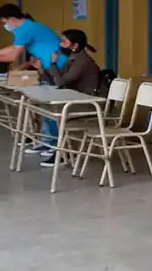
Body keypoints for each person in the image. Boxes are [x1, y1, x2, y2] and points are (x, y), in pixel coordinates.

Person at [27, 29, 101, 168]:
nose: (60, 44)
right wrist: (41, 69)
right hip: (72, 99)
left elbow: (62, 83)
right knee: (45, 107)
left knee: (56, 112)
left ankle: (61, 151)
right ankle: (53, 144)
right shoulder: (73, 58)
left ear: (75, 45)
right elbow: (56, 82)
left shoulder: (82, 61)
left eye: (63, 42)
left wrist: (54, 64)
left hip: (86, 103)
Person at [0, 4, 61, 71]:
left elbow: (13, 56)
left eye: (5, 22)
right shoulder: (26, 25)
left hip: (58, 63)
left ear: (12, 18)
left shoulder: (24, 30)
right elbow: (14, 48)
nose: (5, 26)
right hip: (53, 63)